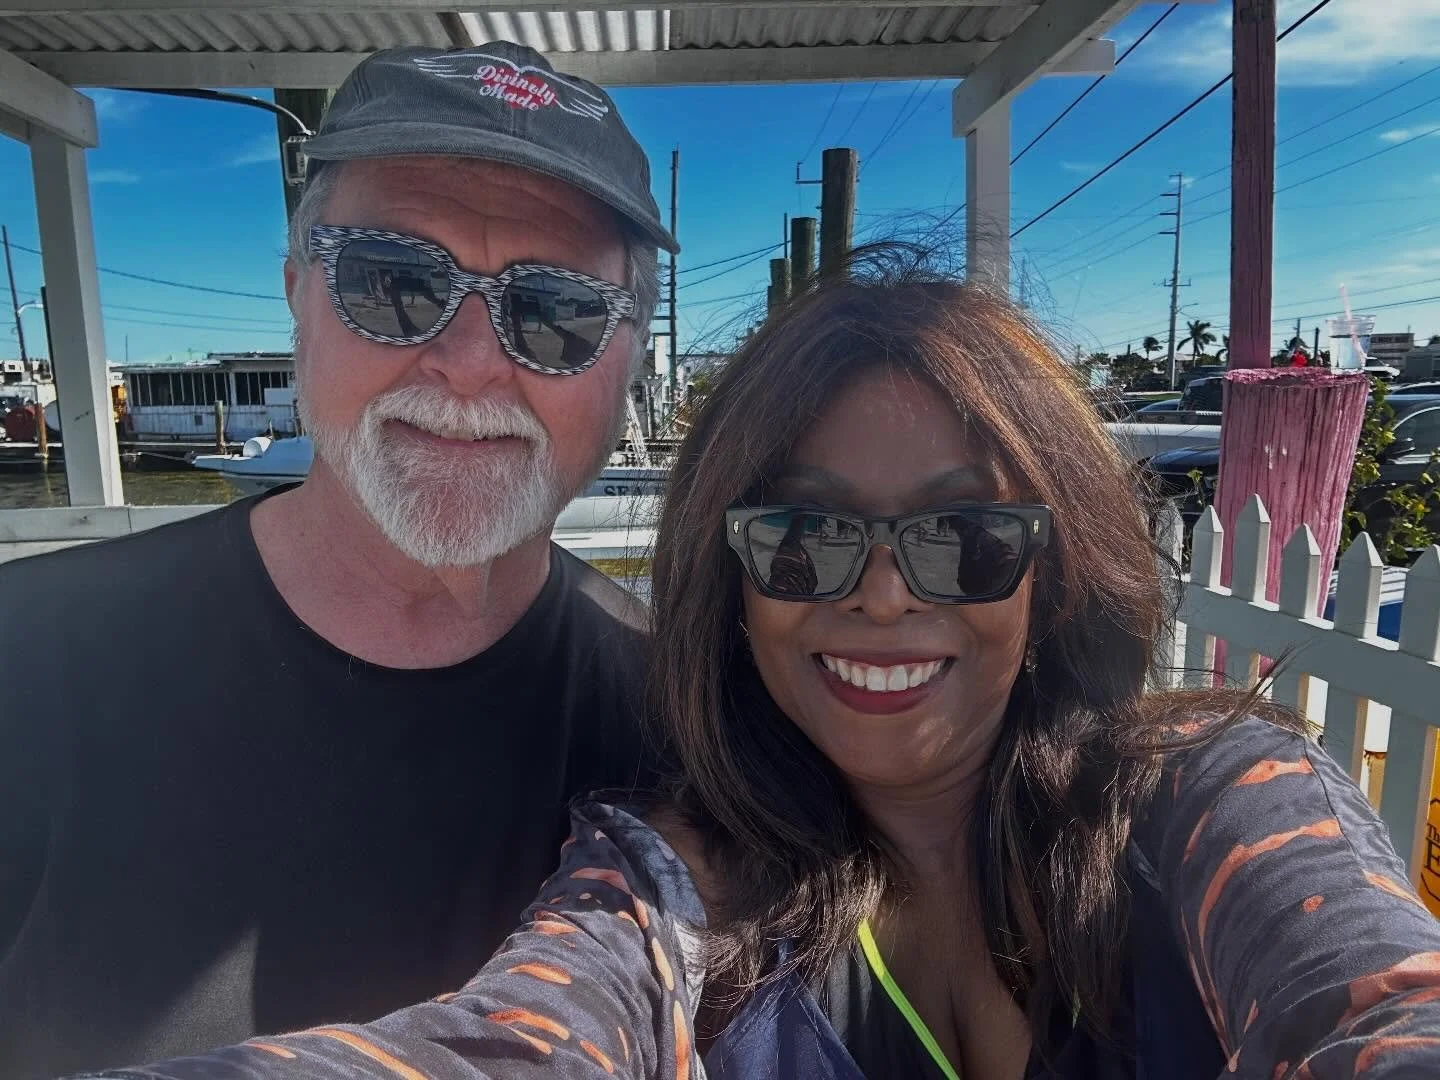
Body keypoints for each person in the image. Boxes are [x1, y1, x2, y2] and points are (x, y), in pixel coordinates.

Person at [73, 250, 1440, 1080]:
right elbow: (518, 1044)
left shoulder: (1216, 804)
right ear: (734, 579)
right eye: (804, 538)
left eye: (968, 535)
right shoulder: (675, 886)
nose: (887, 594)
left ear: (1055, 565)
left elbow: (1373, 1003)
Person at [0, 41, 677, 1078]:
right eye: (395, 281)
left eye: (558, 311)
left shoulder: (682, 726)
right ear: (295, 290)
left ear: (627, 357)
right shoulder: (24, 664)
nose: (469, 359)